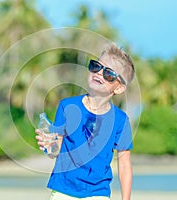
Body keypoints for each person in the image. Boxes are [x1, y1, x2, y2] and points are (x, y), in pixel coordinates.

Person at [35, 43, 135, 200]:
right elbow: (58, 148)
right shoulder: (67, 106)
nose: (99, 74)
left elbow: (124, 164)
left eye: (108, 74)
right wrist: (49, 146)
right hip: (64, 188)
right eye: (96, 66)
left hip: (98, 192)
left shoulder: (120, 120)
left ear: (119, 88)